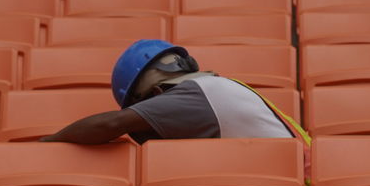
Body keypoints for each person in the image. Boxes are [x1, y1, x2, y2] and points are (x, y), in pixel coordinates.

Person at [40, 39, 308, 145]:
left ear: (157, 92)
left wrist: (49, 144)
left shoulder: (194, 93)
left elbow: (110, 123)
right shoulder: (215, 88)